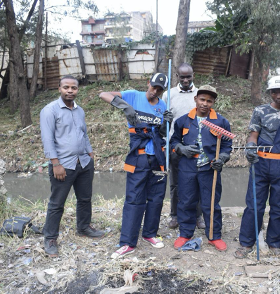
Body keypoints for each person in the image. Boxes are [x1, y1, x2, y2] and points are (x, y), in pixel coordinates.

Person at [99, 73, 173, 259]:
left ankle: (149, 233)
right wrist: (124, 106)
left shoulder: (162, 105)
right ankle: (127, 242)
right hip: (139, 157)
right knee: (134, 199)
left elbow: (162, 133)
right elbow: (103, 94)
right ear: (148, 83)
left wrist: (166, 123)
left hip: (158, 156)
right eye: (153, 86)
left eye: (159, 90)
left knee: (156, 198)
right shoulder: (133, 95)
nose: (155, 91)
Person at [235, 76, 280, 258]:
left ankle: (275, 243)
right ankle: (246, 243)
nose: (278, 95)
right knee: (254, 205)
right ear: (269, 93)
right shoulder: (260, 111)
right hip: (260, 164)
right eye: (274, 92)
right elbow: (253, 135)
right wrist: (250, 146)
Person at [40, 75, 105, 257]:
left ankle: (84, 227)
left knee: (85, 199)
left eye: (73, 88)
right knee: (57, 203)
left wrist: (90, 153)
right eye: (66, 87)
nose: (70, 91)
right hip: (63, 165)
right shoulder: (50, 110)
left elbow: (83, 134)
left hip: (83, 162)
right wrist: (55, 163)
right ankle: (50, 238)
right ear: (59, 89)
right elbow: (47, 139)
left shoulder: (79, 111)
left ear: (78, 90)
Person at [170, 85, 232, 251]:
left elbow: (227, 146)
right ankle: (185, 233)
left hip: (209, 168)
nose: (205, 103)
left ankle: (214, 235)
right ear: (195, 99)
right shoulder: (183, 120)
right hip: (187, 168)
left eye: (209, 100)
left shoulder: (221, 121)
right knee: (186, 201)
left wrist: (223, 158)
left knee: (211, 203)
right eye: (202, 99)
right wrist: (181, 149)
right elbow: (174, 141)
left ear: (213, 103)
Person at [161, 63, 205, 230]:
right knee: (176, 184)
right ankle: (175, 215)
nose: (186, 80)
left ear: (193, 75)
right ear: (177, 76)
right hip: (175, 145)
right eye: (182, 77)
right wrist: (165, 119)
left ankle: (198, 216)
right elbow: (162, 121)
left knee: (198, 181)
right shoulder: (168, 95)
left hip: (197, 145)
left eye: (189, 76)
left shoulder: (200, 94)